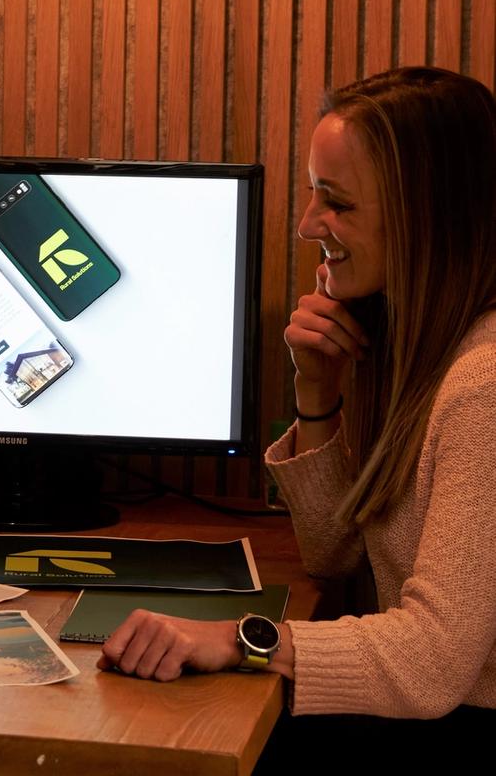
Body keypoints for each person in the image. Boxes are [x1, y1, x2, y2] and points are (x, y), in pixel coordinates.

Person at [98, 66, 496, 753]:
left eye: (336, 203)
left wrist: (235, 640)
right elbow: (332, 555)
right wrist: (317, 392)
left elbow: (432, 661)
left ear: (426, 217)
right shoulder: (403, 340)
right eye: (314, 193)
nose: (309, 223)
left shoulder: (482, 385)